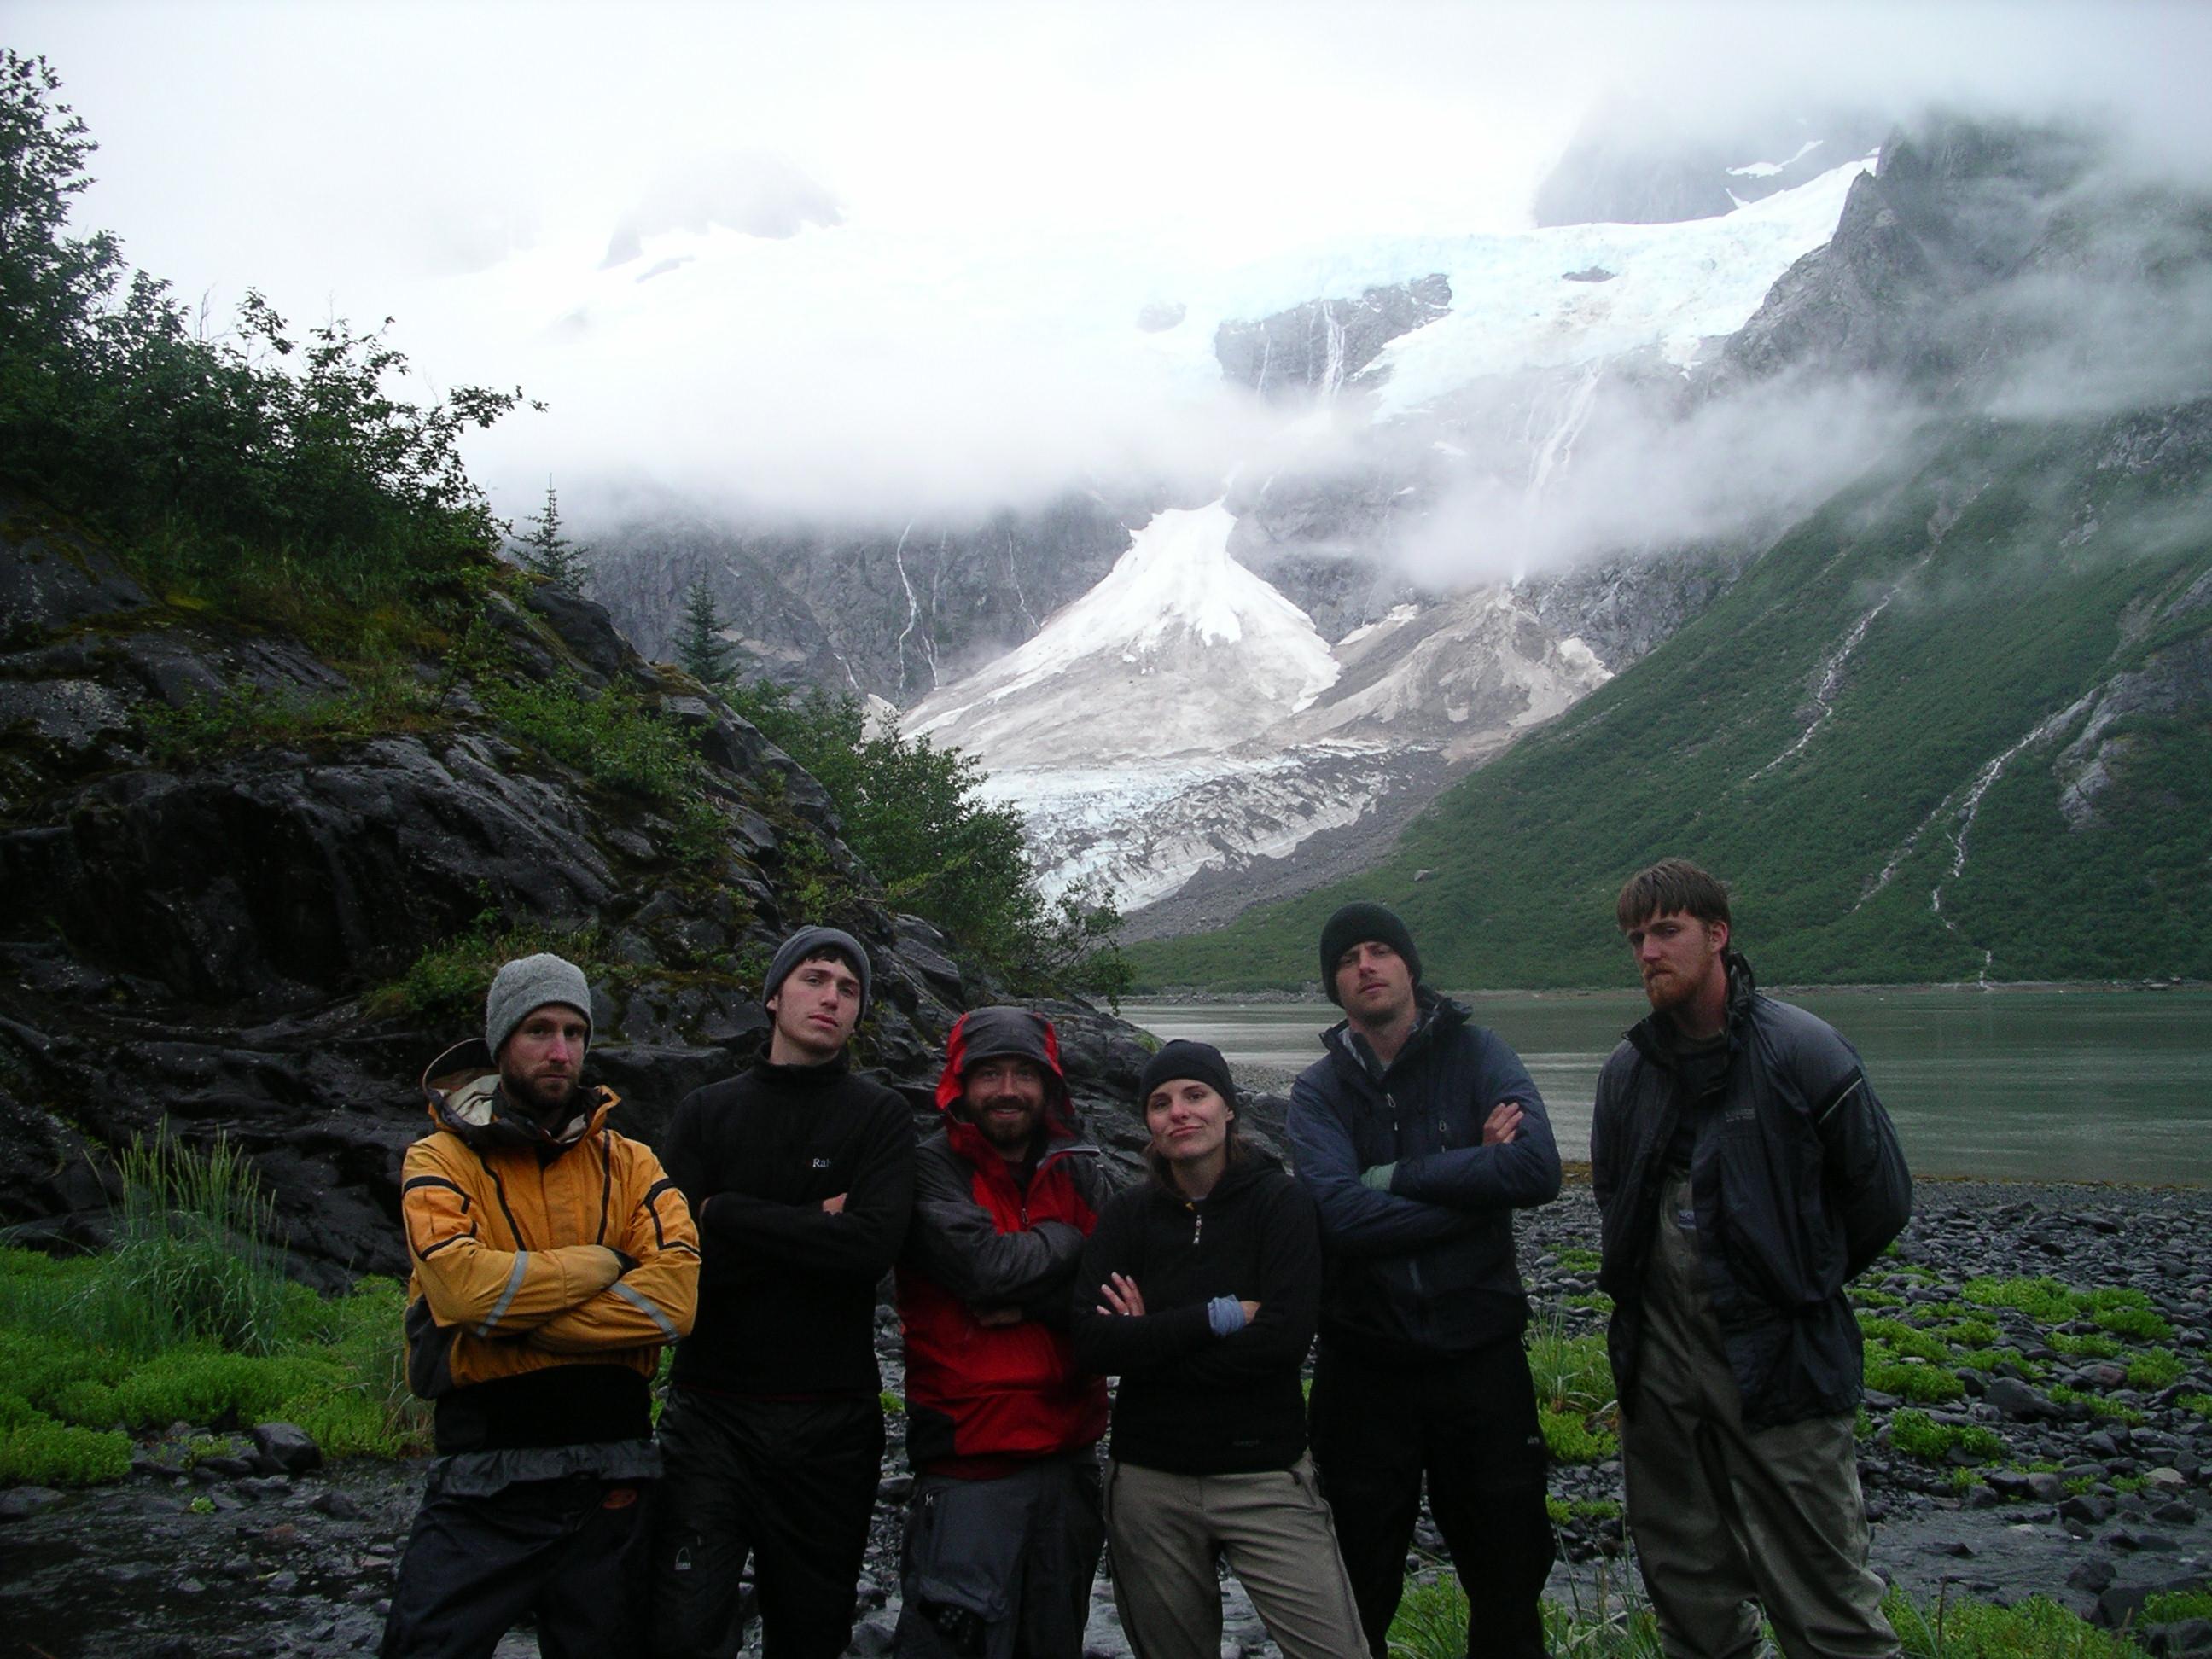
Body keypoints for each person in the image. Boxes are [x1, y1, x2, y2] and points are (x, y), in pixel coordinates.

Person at [1593, 859, 1912, 1659]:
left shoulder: (1803, 1051)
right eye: (1637, 938)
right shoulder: (1626, 1074)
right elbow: (1615, 1202)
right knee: (1688, 1596)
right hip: (1660, 1378)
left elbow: (1881, 1198)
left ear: (1718, 935)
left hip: (1783, 1366)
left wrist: (1798, 1282)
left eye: (1666, 931)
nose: (1648, 953)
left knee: (1828, 1601)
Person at [384, 952, 700, 1659]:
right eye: (539, 1030)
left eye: (574, 1033)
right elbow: (461, 1289)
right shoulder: (438, 1160)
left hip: (612, 1479)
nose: (561, 1052)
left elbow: (674, 1305)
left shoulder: (633, 1164)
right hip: (480, 1481)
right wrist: (601, 1264)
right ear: (501, 1044)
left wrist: (507, 1323)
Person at [1284, 902, 1561, 1659]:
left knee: (1508, 1576)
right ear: (1333, 986)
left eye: (1379, 951)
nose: (1365, 966)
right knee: (1356, 1584)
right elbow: (1337, 1216)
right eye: (1347, 959)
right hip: (1364, 1368)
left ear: (1410, 967)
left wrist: (1397, 1178)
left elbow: (1536, 1169)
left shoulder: (1479, 1055)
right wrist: (1473, 1191)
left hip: (1481, 1361)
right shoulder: (1318, 1093)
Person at [650, 926, 917, 1659]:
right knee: (682, 1626)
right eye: (814, 978)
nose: (831, 997)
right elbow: (675, 1259)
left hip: (832, 1420)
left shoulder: (879, 1116)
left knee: (811, 1630)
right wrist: (812, 1224)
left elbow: (868, 1251)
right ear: (772, 996)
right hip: (710, 1413)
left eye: (849, 988)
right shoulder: (706, 1112)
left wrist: (729, 1212)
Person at [1071, 1040, 1365, 1659]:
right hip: (1151, 1482)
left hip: (1264, 1474)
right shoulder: (1127, 1216)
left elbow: (1283, 1342)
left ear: (1228, 1109)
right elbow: (1091, 1342)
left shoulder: (1280, 1204)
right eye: (1160, 1102)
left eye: (1195, 1095)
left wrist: (1148, 1340)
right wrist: (1220, 1317)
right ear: (1147, 1123)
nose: (1180, 1112)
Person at [894, 1005, 1109, 1659]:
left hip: (1069, 1456)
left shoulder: (1077, 1167)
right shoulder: (930, 1168)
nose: (1009, 1090)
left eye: (1024, 1073)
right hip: (969, 1462)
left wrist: (1036, 1298)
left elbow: (1119, 1285)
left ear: (1049, 1085)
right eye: (989, 1074)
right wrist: (1069, 1241)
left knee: (1053, 1641)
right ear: (959, 1082)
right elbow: (985, 1270)